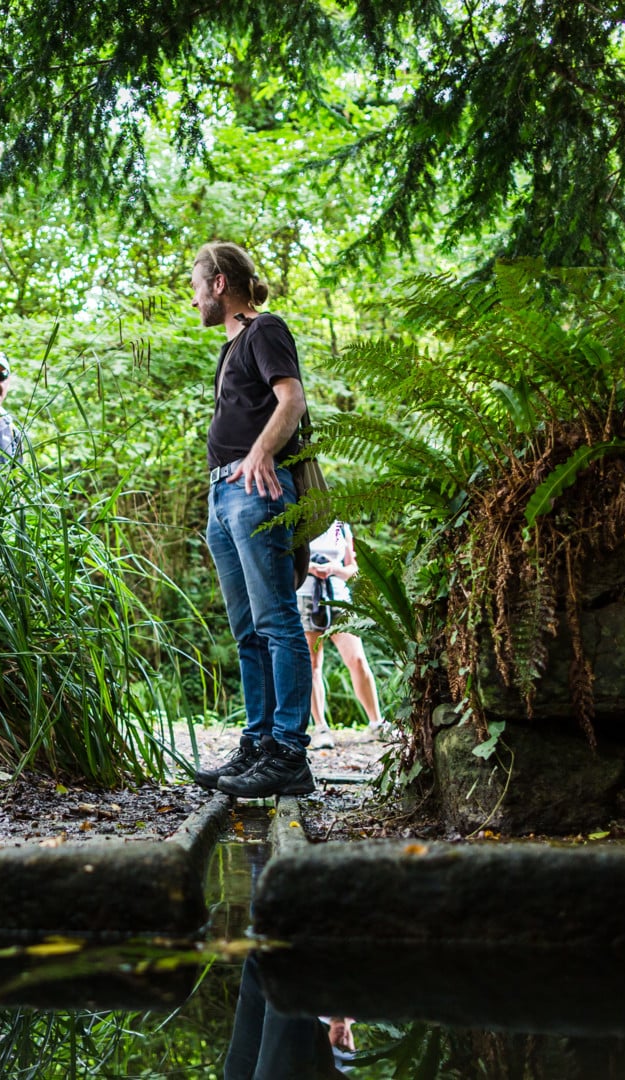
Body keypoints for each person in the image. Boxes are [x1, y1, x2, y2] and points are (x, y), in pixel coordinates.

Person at [188, 241, 316, 800]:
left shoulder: (264, 330)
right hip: (224, 498)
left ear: (219, 283)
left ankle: (289, 752)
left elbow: (291, 399)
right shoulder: (231, 346)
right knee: (247, 631)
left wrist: (262, 453)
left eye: (197, 286)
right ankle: (259, 743)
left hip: (256, 489)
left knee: (278, 621)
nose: (194, 299)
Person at [296, 520, 386, 747]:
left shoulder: (339, 526)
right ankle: (321, 728)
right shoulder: (298, 522)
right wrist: (311, 568)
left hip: (340, 599)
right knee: (312, 664)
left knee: (356, 659)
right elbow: (286, 562)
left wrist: (334, 569)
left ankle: (376, 723)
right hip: (306, 597)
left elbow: (352, 569)